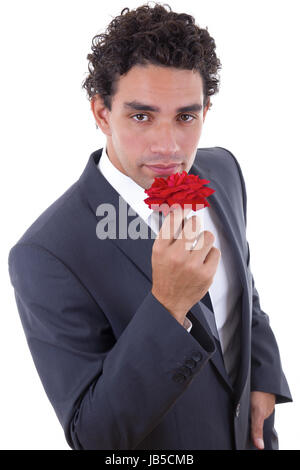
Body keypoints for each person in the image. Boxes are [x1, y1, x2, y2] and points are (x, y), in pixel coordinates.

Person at [8, 3, 292, 450]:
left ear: (206, 110)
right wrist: (168, 304)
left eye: (185, 116)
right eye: (142, 116)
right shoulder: (46, 253)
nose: (169, 145)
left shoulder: (223, 171)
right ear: (102, 113)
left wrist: (265, 375)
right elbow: (94, 436)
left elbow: (243, 291)